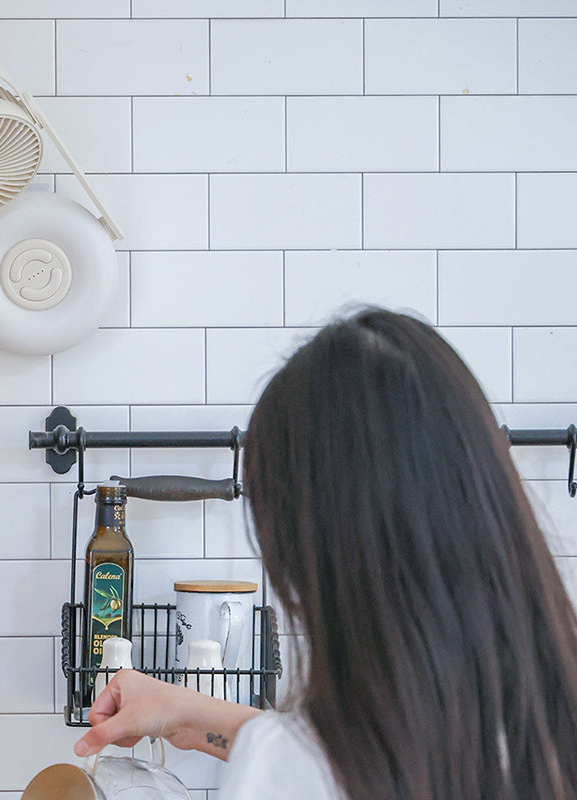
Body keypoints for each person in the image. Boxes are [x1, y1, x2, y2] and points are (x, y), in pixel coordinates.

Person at [74, 308, 577, 800]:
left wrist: (264, 749)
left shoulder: (289, 771)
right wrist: (196, 715)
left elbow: (320, 766)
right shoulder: (546, 721)